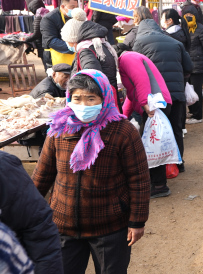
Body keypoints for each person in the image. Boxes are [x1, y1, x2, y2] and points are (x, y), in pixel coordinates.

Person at [32, 70, 150, 274]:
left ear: (104, 98)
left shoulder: (123, 131)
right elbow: (42, 174)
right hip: (64, 225)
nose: (83, 106)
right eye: (77, 98)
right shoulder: (60, 128)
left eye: (91, 99)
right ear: (69, 98)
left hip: (109, 227)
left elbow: (139, 179)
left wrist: (137, 221)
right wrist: (27, 212)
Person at [133, 19, 193, 194]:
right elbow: (189, 66)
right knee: (175, 128)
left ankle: (159, 179)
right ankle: (178, 164)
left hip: (156, 97)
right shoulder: (175, 42)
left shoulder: (140, 43)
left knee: (156, 133)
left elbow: (137, 69)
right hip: (176, 94)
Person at [1, 151, 63, 274]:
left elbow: (38, 226)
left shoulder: (3, 168)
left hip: (106, 227)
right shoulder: (57, 135)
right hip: (66, 222)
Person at [118, 50, 172, 123]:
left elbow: (141, 80)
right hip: (154, 103)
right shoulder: (129, 58)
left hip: (153, 105)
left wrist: (145, 104)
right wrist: (122, 118)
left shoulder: (127, 58)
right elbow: (132, 93)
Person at [181, 7, 203, 125]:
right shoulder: (183, 29)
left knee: (197, 90)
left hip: (198, 66)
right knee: (188, 90)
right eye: (186, 14)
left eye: (191, 13)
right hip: (186, 66)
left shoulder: (201, 30)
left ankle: (198, 115)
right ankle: (192, 111)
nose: (188, 16)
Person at [68, 21, 119, 92]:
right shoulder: (102, 46)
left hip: (97, 95)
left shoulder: (86, 50)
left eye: (67, 42)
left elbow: (92, 77)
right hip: (108, 91)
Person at [41, 0, 77, 68]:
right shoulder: (49, 19)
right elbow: (50, 41)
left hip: (72, 56)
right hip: (54, 57)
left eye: (76, 7)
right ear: (63, 6)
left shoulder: (75, 17)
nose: (75, 10)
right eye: (72, 7)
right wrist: (73, 47)